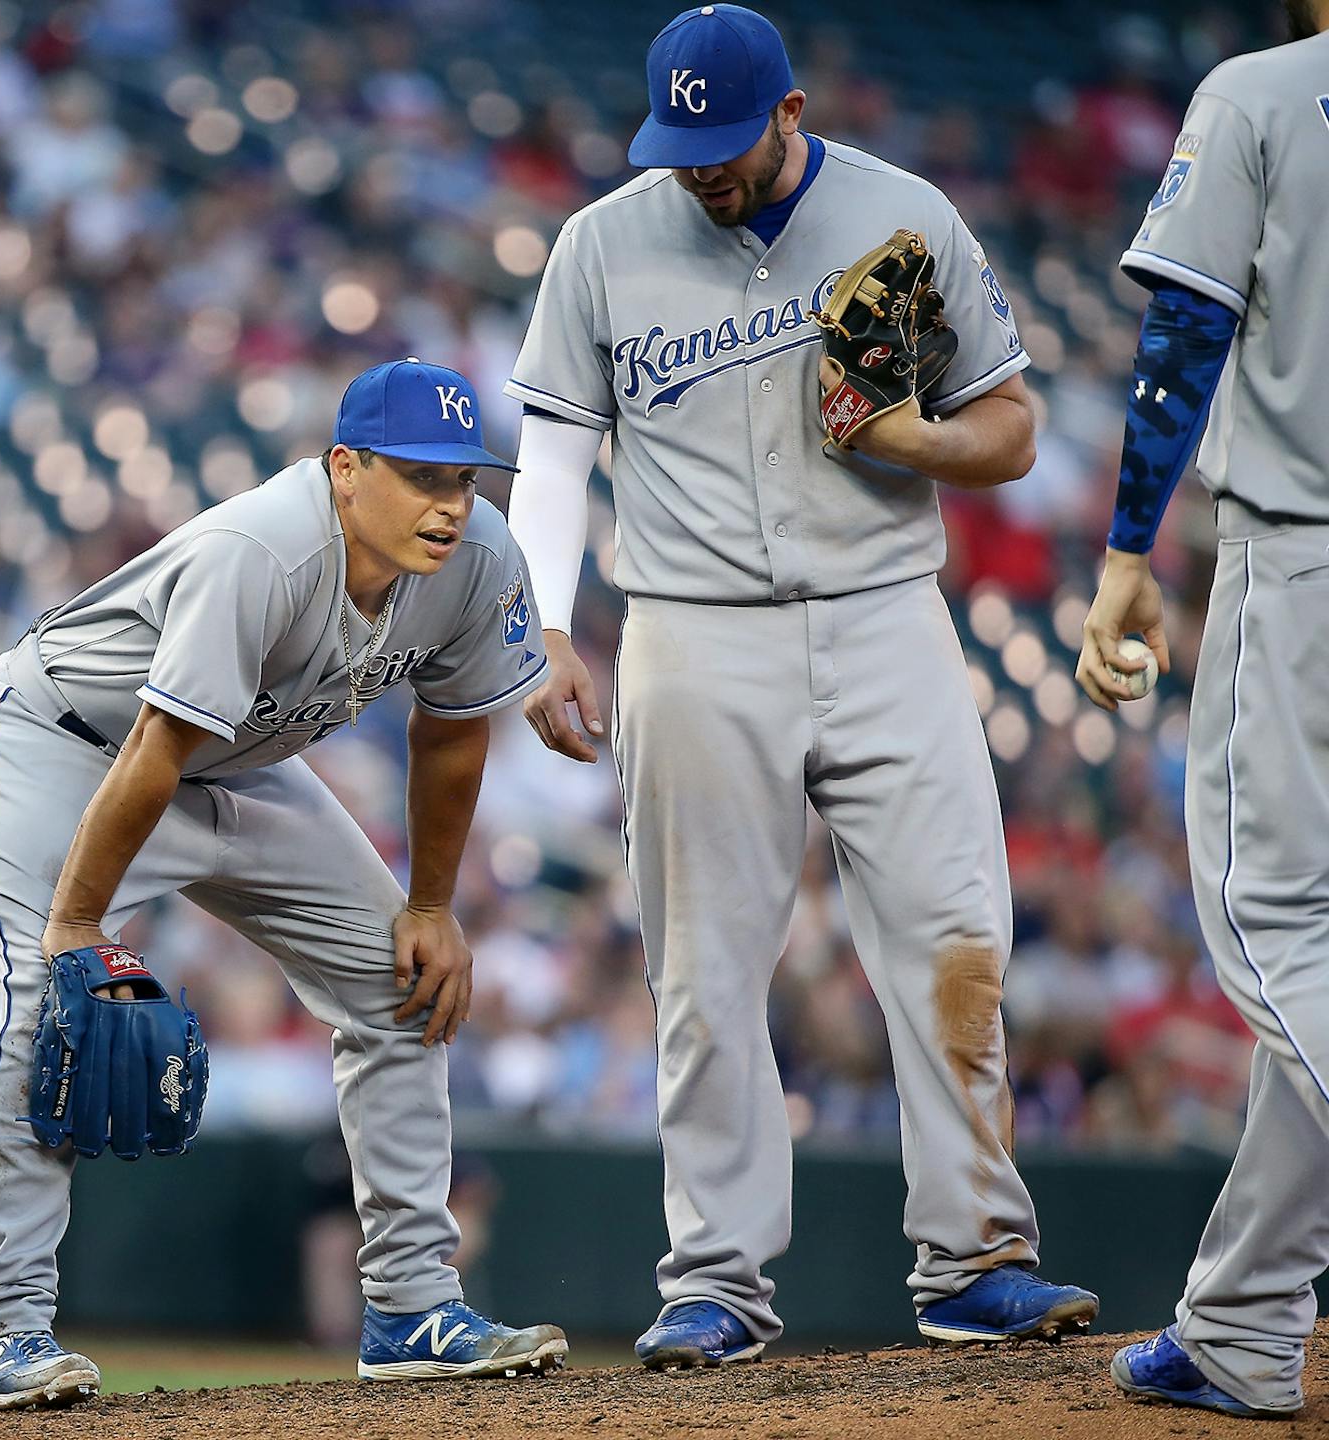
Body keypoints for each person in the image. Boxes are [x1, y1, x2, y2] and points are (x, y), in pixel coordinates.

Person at [504, 4, 1097, 1369]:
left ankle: (976, 1259)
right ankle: (714, 1279)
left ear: (793, 111)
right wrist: (543, 623)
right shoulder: (604, 241)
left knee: (955, 945)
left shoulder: (905, 217)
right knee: (703, 975)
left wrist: (910, 434)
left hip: (887, 610)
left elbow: (1011, 430)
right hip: (694, 628)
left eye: (725, 139)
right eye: (680, 142)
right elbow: (552, 455)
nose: (700, 168)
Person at [0, 359, 566, 1409]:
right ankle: (11, 1331)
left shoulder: (480, 559)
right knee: (41, 1004)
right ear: (345, 469)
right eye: (421, 478)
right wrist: (79, 928)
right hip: (68, 746)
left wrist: (430, 905)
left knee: (399, 979)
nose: (449, 505)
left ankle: (413, 1304)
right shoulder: (265, 549)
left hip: (236, 756)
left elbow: (454, 736)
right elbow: (155, 746)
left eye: (463, 480)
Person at [1081, 0, 1329, 1419]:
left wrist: (1126, 554)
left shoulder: (1261, 90)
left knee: (1272, 924)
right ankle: (1242, 1321)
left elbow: (1187, 324)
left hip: (1305, 563)